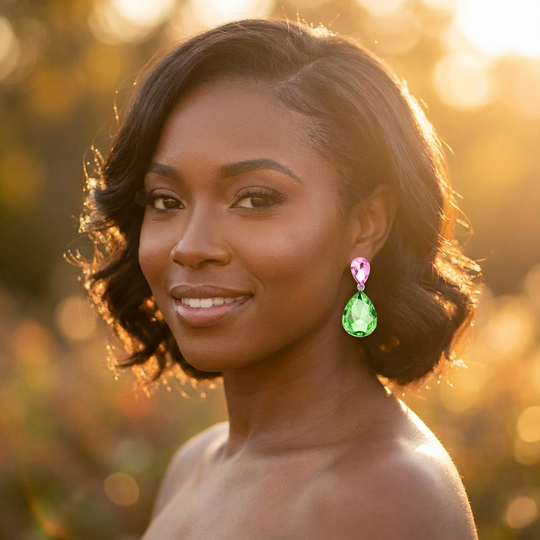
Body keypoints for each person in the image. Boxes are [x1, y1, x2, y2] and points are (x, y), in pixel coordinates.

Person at [80, 19, 480, 539]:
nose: (191, 246)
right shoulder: (194, 464)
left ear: (366, 225)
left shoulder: (386, 492)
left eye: (255, 199)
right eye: (165, 201)